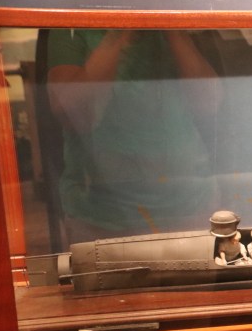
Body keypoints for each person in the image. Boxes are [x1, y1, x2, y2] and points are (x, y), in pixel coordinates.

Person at [46, 29, 222, 243]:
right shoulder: (73, 24)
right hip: (104, 214)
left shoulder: (173, 25)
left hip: (189, 203)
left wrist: (172, 29)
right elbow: (73, 114)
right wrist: (122, 29)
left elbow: (210, 103)